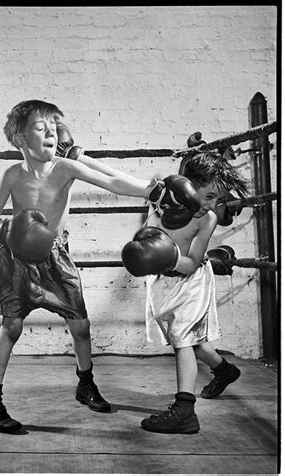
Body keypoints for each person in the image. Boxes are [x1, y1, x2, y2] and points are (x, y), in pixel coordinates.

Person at [0, 99, 193, 434]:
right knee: (11, 329)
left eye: (53, 125)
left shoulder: (65, 168)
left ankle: (85, 384)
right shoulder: (12, 175)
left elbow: (111, 182)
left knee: (80, 327)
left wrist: (153, 192)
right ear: (20, 139)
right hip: (17, 257)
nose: (51, 131)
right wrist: (7, 230)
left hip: (56, 256)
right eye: (39, 126)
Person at [121, 151, 248, 434]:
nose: (213, 204)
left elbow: (190, 263)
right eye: (208, 196)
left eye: (219, 198)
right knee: (192, 341)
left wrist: (169, 257)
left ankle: (184, 410)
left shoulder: (208, 219)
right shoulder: (161, 205)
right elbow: (145, 237)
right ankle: (224, 370)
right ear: (187, 187)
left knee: (183, 342)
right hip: (162, 281)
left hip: (192, 281)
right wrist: (147, 251)